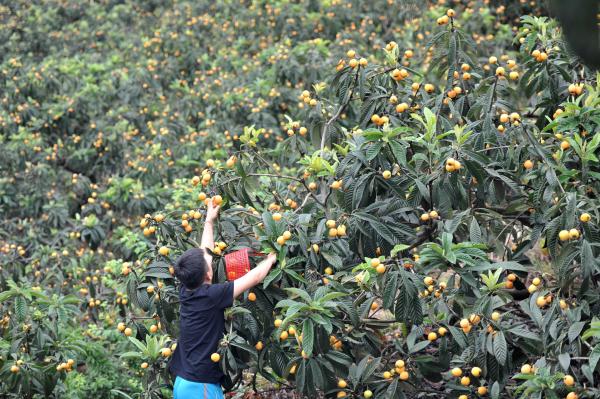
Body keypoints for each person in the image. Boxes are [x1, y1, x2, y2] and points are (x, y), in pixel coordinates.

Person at [169, 200, 277, 399]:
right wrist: (270, 259)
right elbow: (253, 278)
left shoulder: (186, 290)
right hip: (199, 385)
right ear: (208, 275)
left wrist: (209, 221)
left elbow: (206, 253)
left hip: (183, 381)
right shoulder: (212, 295)